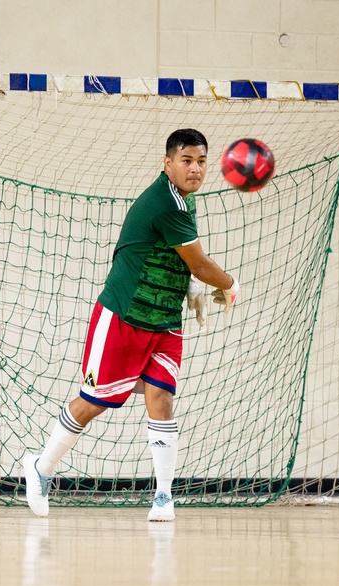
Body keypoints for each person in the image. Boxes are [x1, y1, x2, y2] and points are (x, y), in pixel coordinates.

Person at [23, 128, 238, 521]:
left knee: (162, 399)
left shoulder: (183, 201)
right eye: (187, 160)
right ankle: (42, 467)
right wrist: (230, 285)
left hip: (164, 322)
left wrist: (186, 288)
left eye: (202, 161)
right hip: (124, 316)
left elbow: (165, 254)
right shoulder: (167, 203)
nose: (195, 169)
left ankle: (162, 497)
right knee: (93, 403)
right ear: (168, 163)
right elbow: (199, 262)